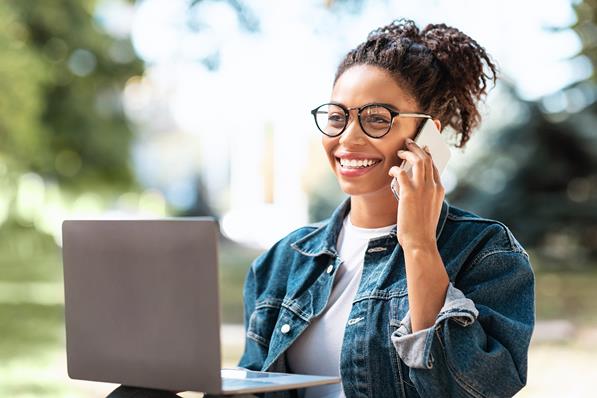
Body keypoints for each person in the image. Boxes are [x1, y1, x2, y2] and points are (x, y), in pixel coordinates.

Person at [238, 19, 535, 398]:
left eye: (376, 118)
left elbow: (476, 389)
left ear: (428, 136)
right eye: (337, 117)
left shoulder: (485, 251)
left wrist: (419, 245)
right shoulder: (282, 261)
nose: (348, 137)